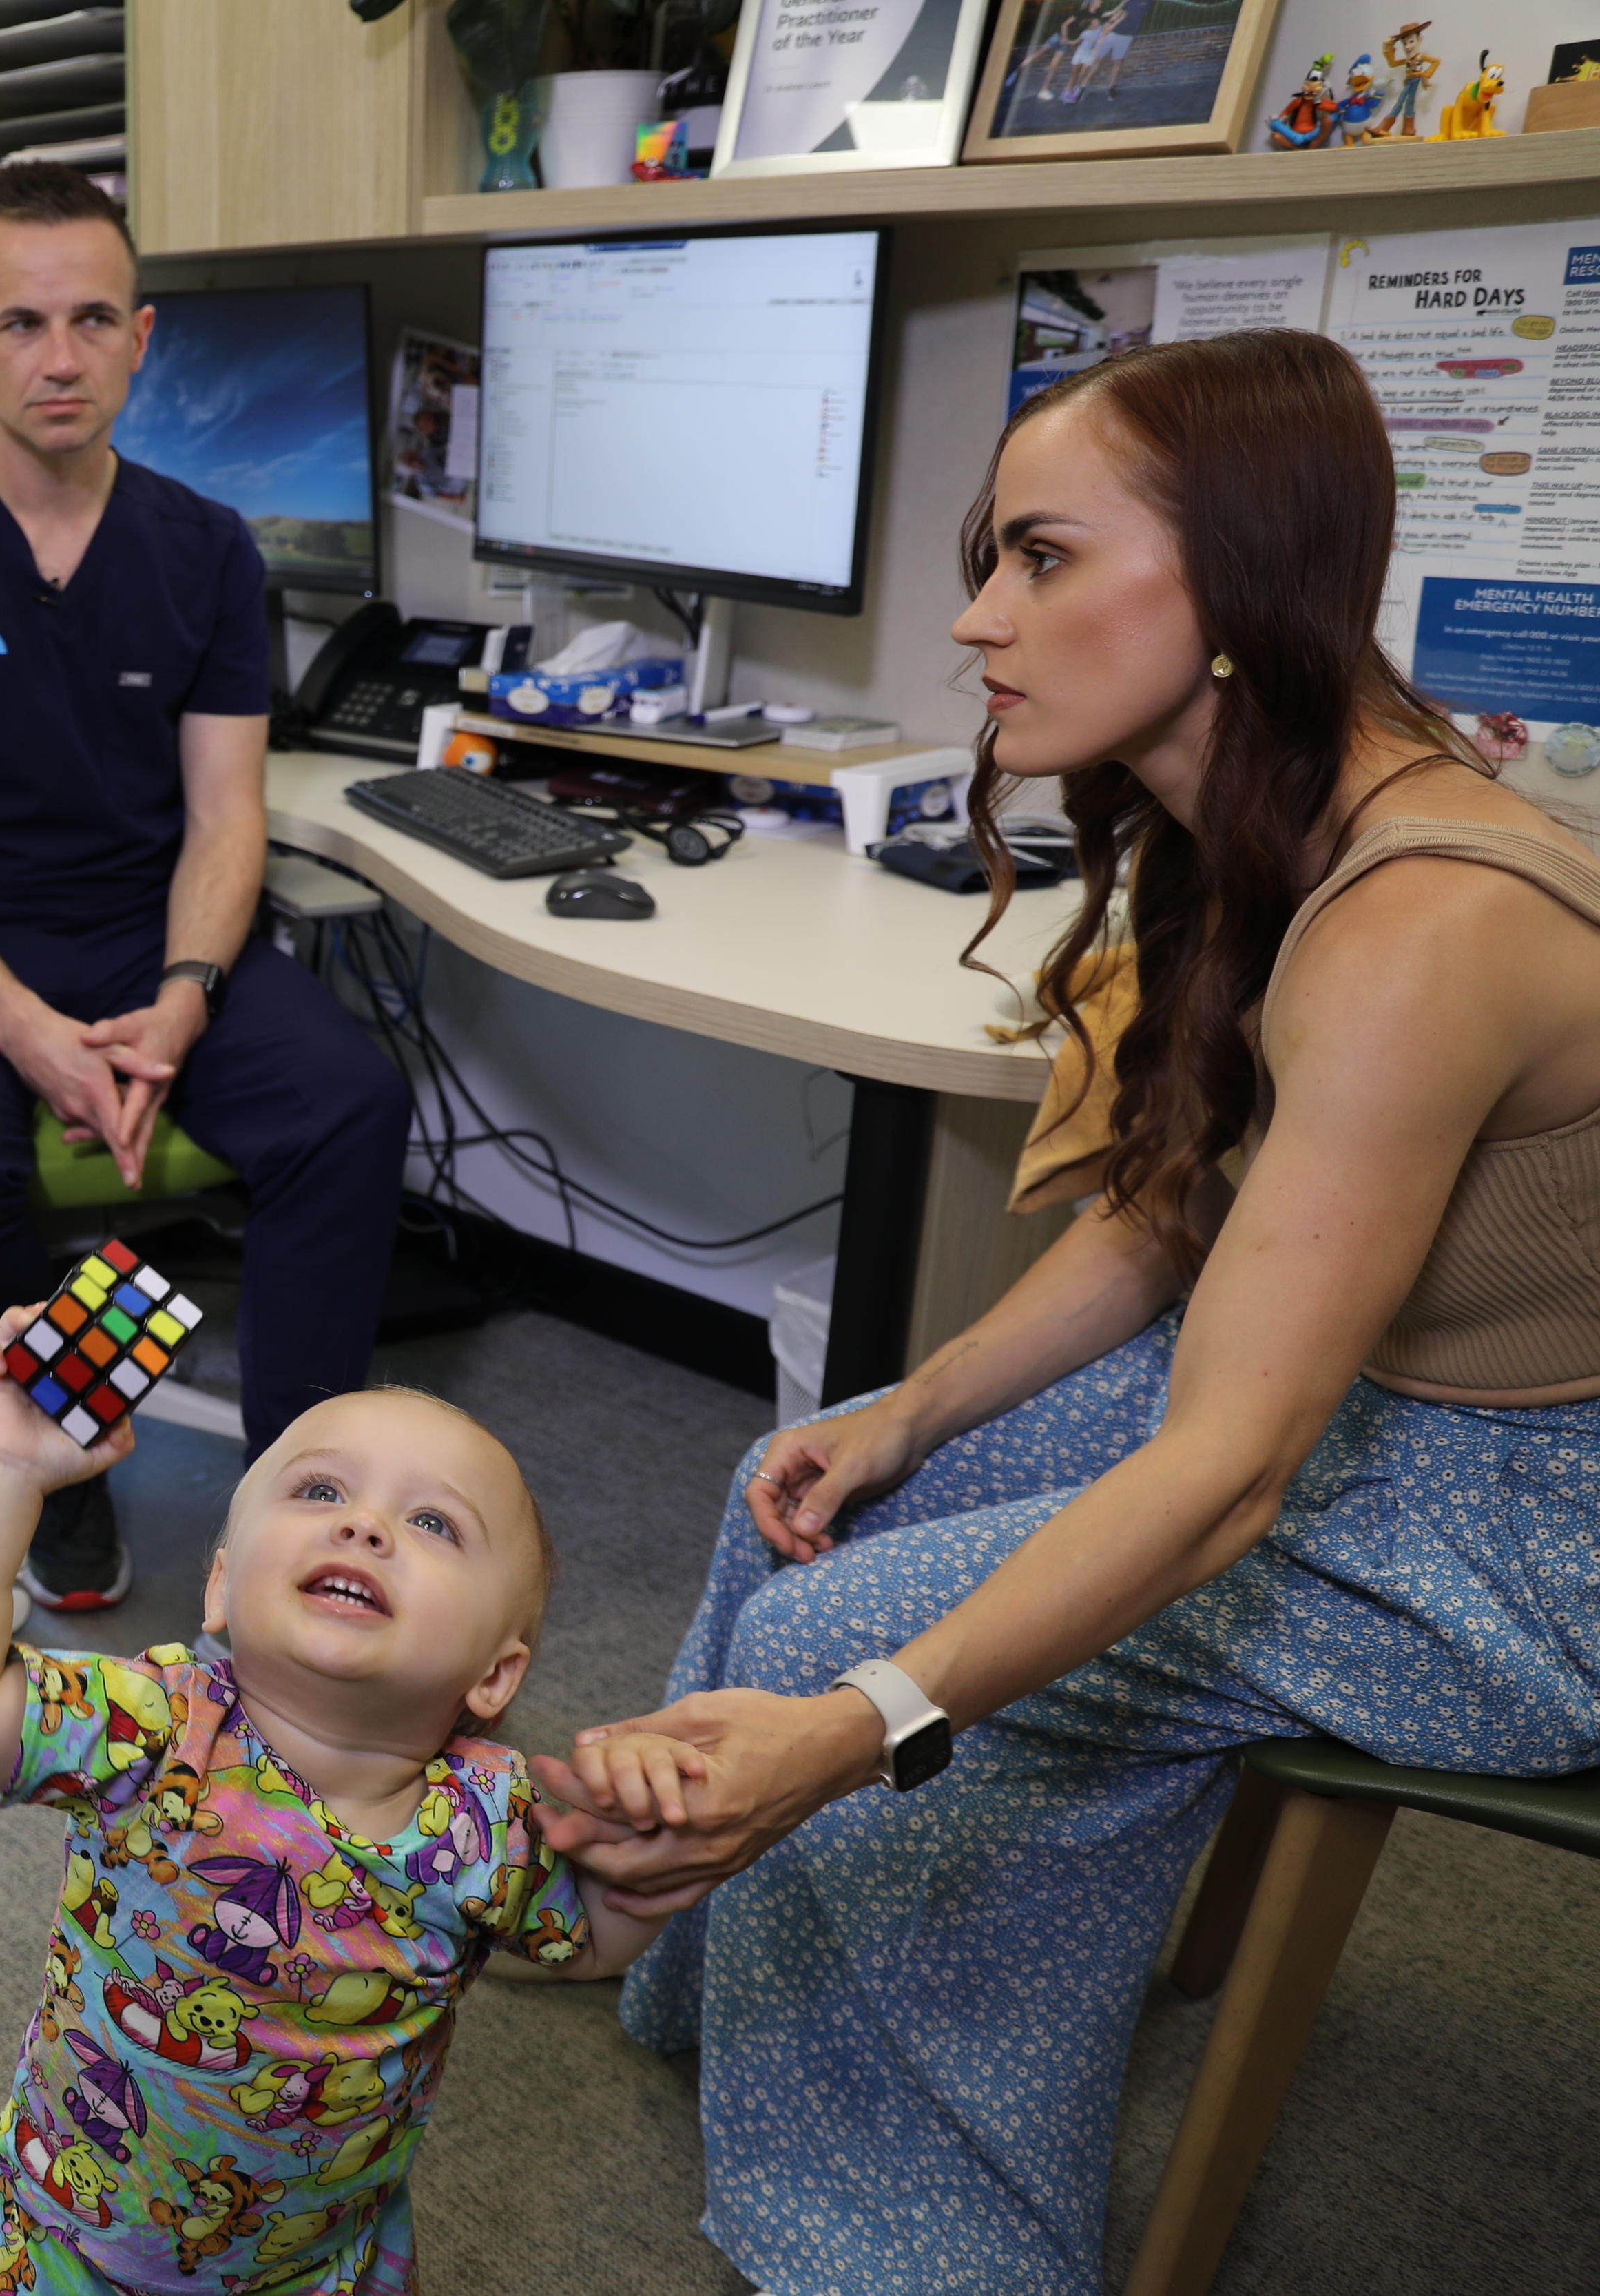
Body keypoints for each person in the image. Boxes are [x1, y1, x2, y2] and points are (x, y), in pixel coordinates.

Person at [545, 329, 1600, 2293]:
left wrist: (851, 1730)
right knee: (817, 1483)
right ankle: (672, 1956)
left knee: (855, 1645)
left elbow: (1221, 1473)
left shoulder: (1427, 925)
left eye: (1039, 557)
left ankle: (902, 2252)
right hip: (1386, 1405)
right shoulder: (1274, 813)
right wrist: (914, 1408)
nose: (974, 617)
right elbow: (1175, 1206)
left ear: (1236, 585)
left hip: (1540, 1530)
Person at [0, 162, 412, 1613]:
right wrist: (28, 1032)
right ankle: (74, 1440)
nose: (56, 357)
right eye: (19, 323)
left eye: (88, 321)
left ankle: (291, 1506)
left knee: (349, 1106)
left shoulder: (203, 550)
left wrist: (184, 1000)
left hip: (150, 934)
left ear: (141, 337)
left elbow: (223, 814)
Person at [0, 1320, 691, 2293]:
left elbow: (595, 1939)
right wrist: (7, 1469)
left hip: (315, 2265)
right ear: (221, 1581)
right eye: (321, 1490)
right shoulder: (157, 1727)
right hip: (70, 2242)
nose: (365, 1525)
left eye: (434, 1523)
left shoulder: (491, 1822)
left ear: (495, 1672)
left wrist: (660, 1834)